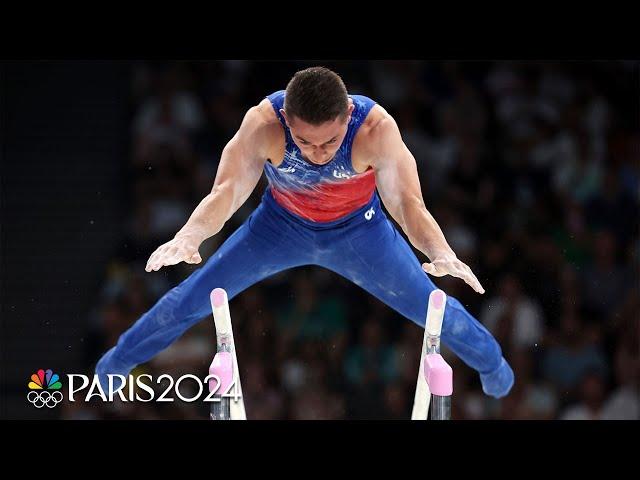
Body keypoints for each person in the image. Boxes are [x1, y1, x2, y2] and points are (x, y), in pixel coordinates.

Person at [96, 66, 514, 401]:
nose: (316, 154)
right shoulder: (263, 123)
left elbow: (408, 205)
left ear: (347, 116)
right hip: (278, 228)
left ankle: (495, 368)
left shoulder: (374, 130)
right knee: (190, 298)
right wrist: (190, 237)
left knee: (434, 311)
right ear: (286, 121)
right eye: (304, 142)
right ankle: (115, 363)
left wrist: (439, 249)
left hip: (360, 235)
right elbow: (226, 193)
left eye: (330, 142)